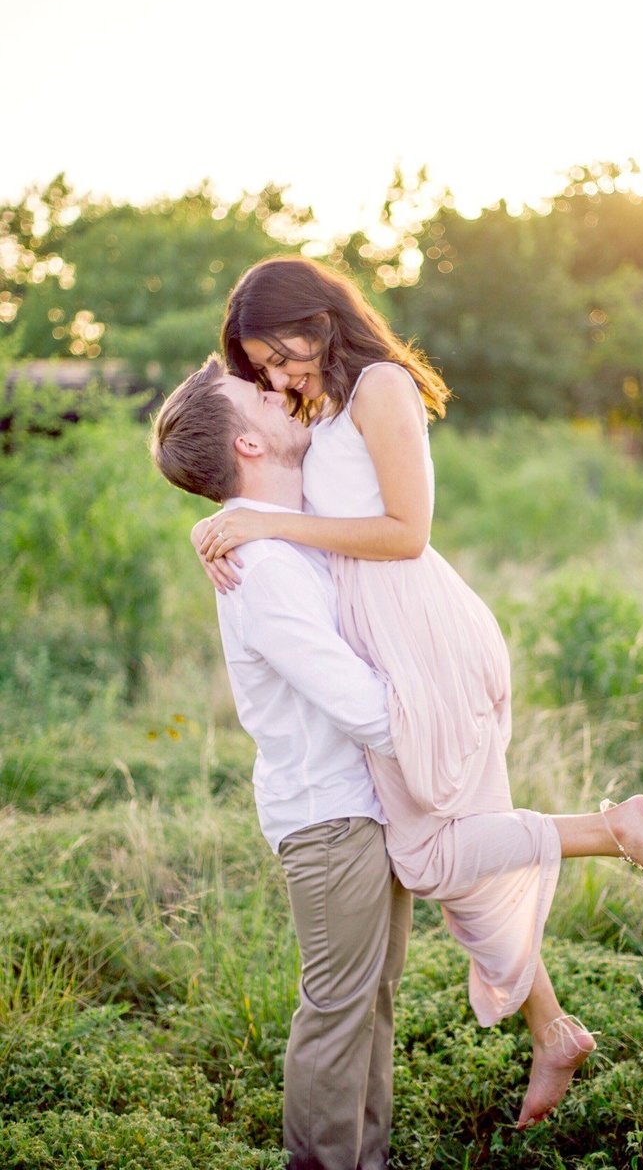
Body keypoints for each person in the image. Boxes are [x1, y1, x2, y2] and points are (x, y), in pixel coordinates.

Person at [192, 256, 643, 1129]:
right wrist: (224, 518)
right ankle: (552, 1029)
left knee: (430, 853)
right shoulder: (322, 408)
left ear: (317, 319)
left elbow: (406, 532)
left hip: (416, 630)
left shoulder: (380, 385)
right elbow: (242, 469)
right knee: (452, 841)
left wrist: (260, 519)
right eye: (263, 371)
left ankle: (614, 829)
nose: (278, 380)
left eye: (279, 357)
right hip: (386, 639)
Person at [151, 357, 413, 1170]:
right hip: (331, 818)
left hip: (364, 805)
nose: (278, 392)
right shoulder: (264, 568)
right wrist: (444, 722)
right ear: (247, 444)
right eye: (257, 394)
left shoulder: (287, 533)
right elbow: (366, 709)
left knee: (371, 1007)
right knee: (338, 1016)